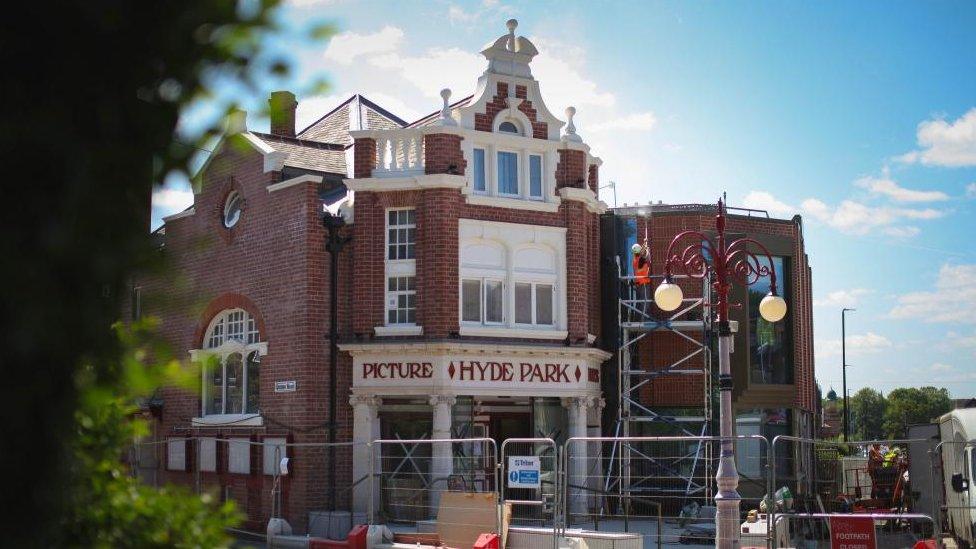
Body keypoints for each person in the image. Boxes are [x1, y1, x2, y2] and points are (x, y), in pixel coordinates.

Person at [631, 242, 651, 318]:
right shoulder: (640, 259)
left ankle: (639, 318)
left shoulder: (635, 259)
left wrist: (645, 244)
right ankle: (644, 318)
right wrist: (648, 249)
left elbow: (642, 252)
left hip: (639, 283)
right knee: (645, 301)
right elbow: (648, 259)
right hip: (643, 283)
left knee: (640, 301)